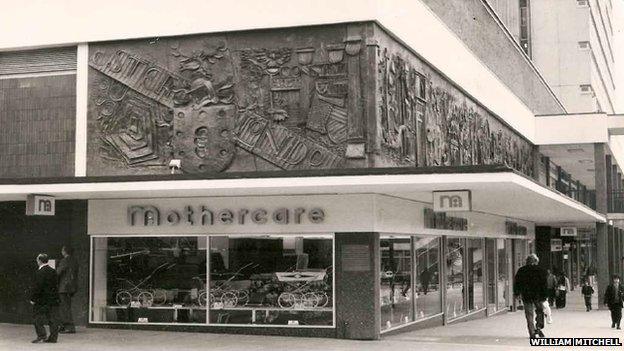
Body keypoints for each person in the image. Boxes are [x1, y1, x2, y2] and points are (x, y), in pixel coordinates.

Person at [514, 254, 548, 338]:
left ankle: (532, 332)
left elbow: (517, 283)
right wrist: (545, 295)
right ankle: (539, 327)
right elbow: (544, 284)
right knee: (540, 311)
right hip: (538, 295)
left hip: (526, 295)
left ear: (527, 261)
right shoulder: (541, 271)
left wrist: (517, 293)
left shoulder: (521, 270)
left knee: (529, 314)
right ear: (536, 261)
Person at [29, 253, 60, 343]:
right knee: (53, 319)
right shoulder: (53, 271)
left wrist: (33, 299)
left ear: (40, 261)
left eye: (37, 260)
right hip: (53, 299)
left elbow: (37, 287)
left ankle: (41, 335)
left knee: (37, 317)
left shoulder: (39, 272)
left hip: (41, 300)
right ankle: (53, 338)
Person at [57, 246, 79, 334]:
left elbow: (58, 272)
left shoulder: (64, 261)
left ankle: (69, 327)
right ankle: (64, 326)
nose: (61, 251)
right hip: (71, 287)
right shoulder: (74, 261)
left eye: (62, 250)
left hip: (64, 287)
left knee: (64, 307)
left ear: (65, 252)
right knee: (66, 306)